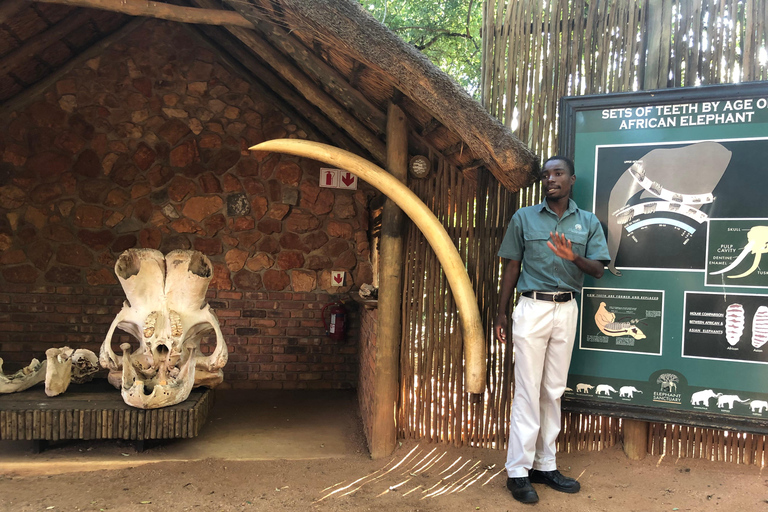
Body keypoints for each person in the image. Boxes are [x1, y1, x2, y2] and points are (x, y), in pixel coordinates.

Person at [494, 156, 610, 504]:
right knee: (528, 390)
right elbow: (512, 266)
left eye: (557, 173)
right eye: (546, 175)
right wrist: (501, 313)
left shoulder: (587, 222)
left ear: (571, 179)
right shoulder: (524, 217)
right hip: (532, 308)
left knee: (553, 390)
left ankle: (545, 465)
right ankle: (518, 471)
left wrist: (573, 256)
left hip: (567, 309)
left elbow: (599, 270)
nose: (550, 179)